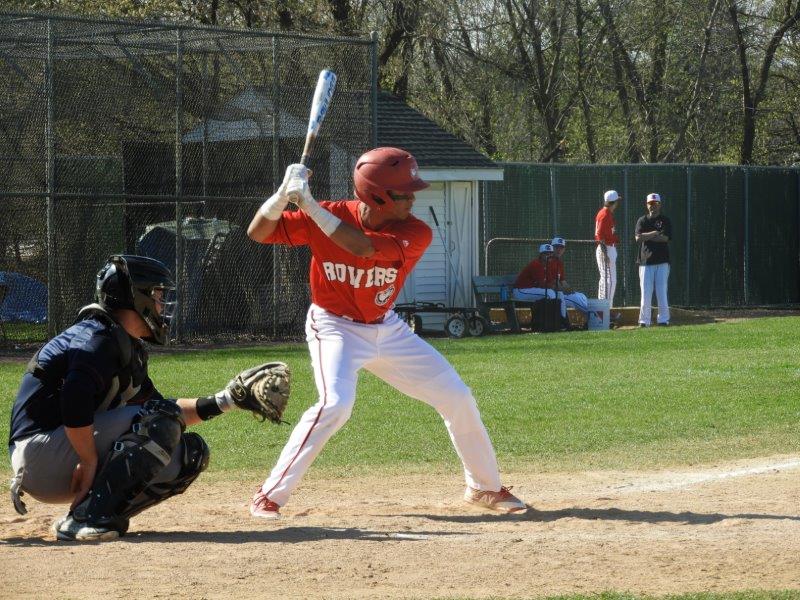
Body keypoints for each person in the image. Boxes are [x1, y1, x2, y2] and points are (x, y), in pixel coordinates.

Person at [246, 147, 526, 518]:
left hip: (388, 328)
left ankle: (484, 487)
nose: (412, 198)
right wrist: (281, 196)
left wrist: (309, 204)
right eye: (403, 193)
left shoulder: (415, 231)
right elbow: (258, 232)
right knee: (335, 405)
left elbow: (361, 247)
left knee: (457, 397)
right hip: (334, 326)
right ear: (375, 195)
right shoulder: (330, 214)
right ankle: (269, 494)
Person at [7, 255, 290, 542]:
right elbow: (74, 398)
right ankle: (87, 518)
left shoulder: (120, 342)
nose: (162, 305)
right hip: (38, 454)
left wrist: (228, 400)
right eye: (157, 295)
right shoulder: (95, 339)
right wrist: (88, 459)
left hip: (59, 451)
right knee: (158, 421)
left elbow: (162, 409)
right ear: (135, 297)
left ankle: (91, 513)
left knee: (189, 454)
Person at [635, 193, 672, 327]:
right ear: (647, 205)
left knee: (662, 291)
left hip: (662, 261)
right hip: (645, 262)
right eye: (650, 204)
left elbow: (666, 238)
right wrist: (655, 233)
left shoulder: (665, 220)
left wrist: (647, 236)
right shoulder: (642, 221)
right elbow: (638, 238)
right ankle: (644, 321)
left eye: (655, 204)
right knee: (645, 293)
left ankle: (663, 320)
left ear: (660, 205)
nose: (653, 206)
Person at [512, 243, 568, 330]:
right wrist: (557, 286)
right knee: (550, 293)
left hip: (531, 290)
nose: (548, 255)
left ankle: (562, 320)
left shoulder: (547, 265)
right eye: (546, 253)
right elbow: (543, 285)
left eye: (550, 253)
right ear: (541, 255)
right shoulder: (536, 264)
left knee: (559, 294)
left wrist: (559, 287)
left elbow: (551, 283)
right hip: (521, 291)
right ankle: (553, 320)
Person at [550, 237, 589, 322]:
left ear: (564, 249)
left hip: (559, 293)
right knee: (575, 299)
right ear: (551, 247)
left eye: (561, 247)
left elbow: (563, 281)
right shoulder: (548, 261)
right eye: (556, 247)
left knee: (581, 295)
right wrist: (566, 290)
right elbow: (552, 285)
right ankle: (602, 315)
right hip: (552, 295)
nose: (559, 250)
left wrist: (570, 289)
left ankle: (591, 321)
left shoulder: (559, 262)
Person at [594, 190, 621, 306]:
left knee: (608, 280)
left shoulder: (607, 213)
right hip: (605, 249)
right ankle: (605, 309)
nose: (617, 204)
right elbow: (599, 236)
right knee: (608, 281)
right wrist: (604, 252)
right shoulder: (604, 215)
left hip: (609, 248)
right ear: (613, 202)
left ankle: (605, 308)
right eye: (617, 201)